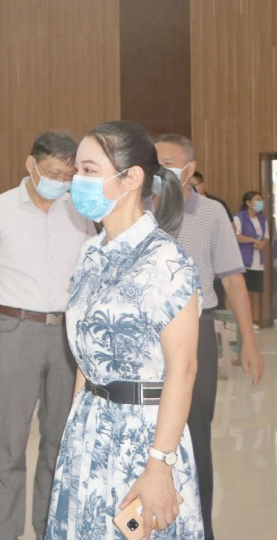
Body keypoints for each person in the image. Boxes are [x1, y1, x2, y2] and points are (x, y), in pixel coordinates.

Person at [47, 121, 203, 539]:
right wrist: (75, 429)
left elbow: (184, 369)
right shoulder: (91, 253)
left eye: (89, 170)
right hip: (88, 430)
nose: (77, 181)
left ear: (131, 178)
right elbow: (85, 357)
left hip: (145, 437)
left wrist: (160, 466)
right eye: (77, 170)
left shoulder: (166, 261)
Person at [0, 132, 95, 540]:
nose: (61, 182)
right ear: (31, 165)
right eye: (54, 173)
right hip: (14, 333)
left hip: (67, 338)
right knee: (9, 441)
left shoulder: (80, 211)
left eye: (68, 175)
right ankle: (4, 532)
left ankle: (48, 528)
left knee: (59, 441)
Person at [155, 135, 265, 540]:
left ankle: (200, 528)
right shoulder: (139, 208)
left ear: (189, 168)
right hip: (146, 334)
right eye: (154, 161)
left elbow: (233, 279)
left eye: (168, 161)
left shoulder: (212, 212)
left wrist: (248, 342)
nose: (160, 169)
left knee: (194, 431)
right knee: (148, 431)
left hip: (195, 330)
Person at [234, 191, 269, 324]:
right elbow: (235, 236)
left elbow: (266, 237)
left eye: (261, 200)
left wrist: (262, 244)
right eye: (257, 200)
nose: (261, 203)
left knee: (253, 292)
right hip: (243, 260)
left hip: (257, 261)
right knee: (240, 292)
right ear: (248, 203)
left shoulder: (262, 219)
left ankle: (250, 321)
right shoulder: (239, 217)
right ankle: (237, 322)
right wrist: (252, 240)